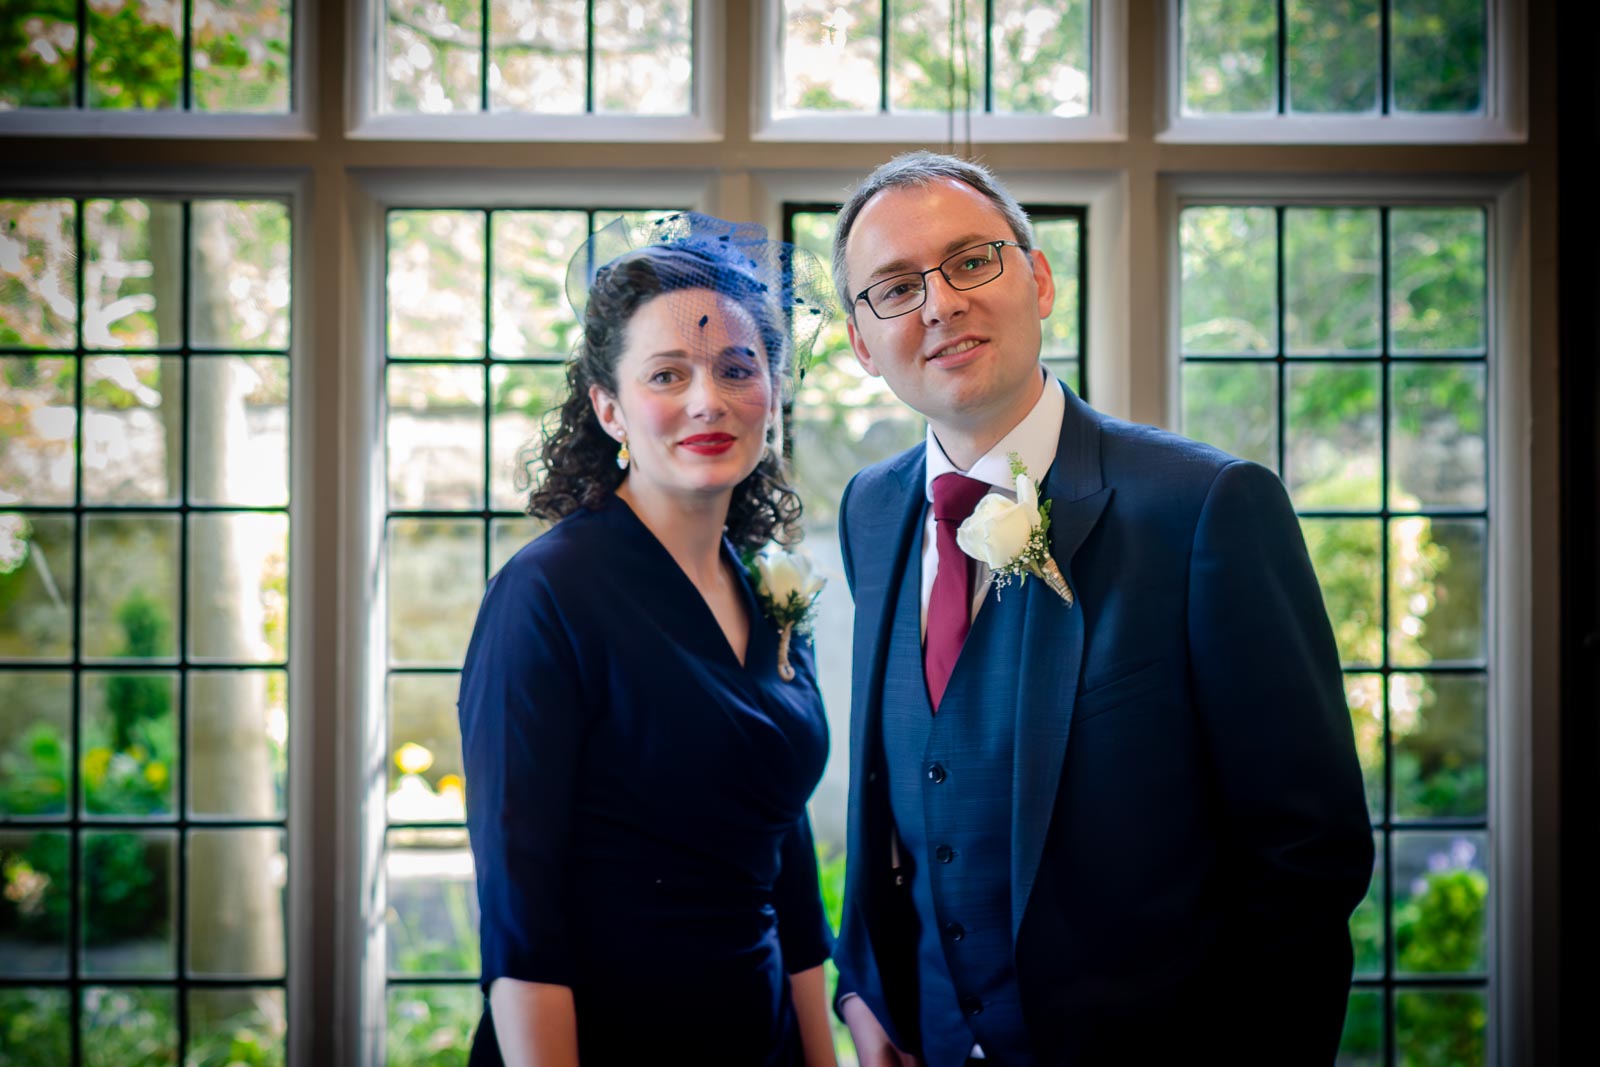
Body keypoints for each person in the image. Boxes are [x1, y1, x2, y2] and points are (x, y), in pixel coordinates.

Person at [828, 152, 1375, 1066]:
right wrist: (865, 986)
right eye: (893, 288)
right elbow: (892, 798)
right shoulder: (870, 509)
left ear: (1038, 279)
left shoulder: (1206, 507)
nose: (939, 304)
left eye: (972, 262)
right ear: (860, 343)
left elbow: (1307, 857)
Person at [458, 213, 839, 1066]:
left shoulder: (770, 587)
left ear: (771, 394)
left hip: (760, 1033)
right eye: (668, 374)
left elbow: (787, 861)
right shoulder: (545, 594)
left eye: (737, 368)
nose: (709, 399)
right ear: (609, 408)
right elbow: (522, 910)